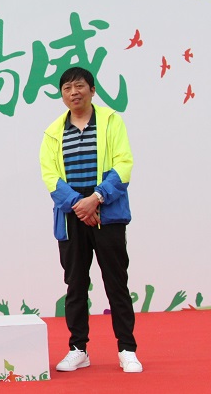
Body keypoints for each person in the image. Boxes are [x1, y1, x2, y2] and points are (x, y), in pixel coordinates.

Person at [39, 67, 142, 373]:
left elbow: (124, 164)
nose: (74, 92)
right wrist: (78, 205)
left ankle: (127, 349)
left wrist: (96, 198)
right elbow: (50, 175)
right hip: (72, 216)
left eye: (80, 86)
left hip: (107, 213)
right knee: (75, 285)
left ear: (92, 90)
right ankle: (78, 349)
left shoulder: (111, 121)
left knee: (116, 282)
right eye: (67, 88)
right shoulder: (53, 131)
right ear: (62, 95)